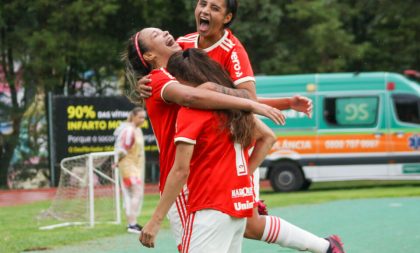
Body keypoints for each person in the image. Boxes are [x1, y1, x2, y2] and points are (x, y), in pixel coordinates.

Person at [136, 1, 345, 252]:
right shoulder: (183, 45)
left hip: (214, 166)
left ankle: (324, 246)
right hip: (213, 162)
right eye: (202, 3)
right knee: (247, 225)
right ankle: (325, 247)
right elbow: (174, 82)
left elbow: (241, 98)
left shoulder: (232, 51)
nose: (205, 11)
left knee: (243, 223)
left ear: (227, 17)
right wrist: (141, 85)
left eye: (214, 8)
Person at [123, 27, 283, 251]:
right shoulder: (162, 81)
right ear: (149, 56)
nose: (167, 32)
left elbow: (203, 95)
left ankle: (323, 247)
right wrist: (252, 103)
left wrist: (270, 102)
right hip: (196, 189)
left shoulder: (194, 91)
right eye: (156, 35)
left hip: (196, 188)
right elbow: (194, 96)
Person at [113, 107, 146, 234]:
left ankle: (133, 222)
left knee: (134, 193)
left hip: (135, 166)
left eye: (144, 117)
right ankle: (131, 223)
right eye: (140, 117)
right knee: (135, 192)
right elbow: (122, 148)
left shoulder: (137, 130)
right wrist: (118, 161)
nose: (142, 120)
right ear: (133, 116)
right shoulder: (128, 130)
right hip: (127, 166)